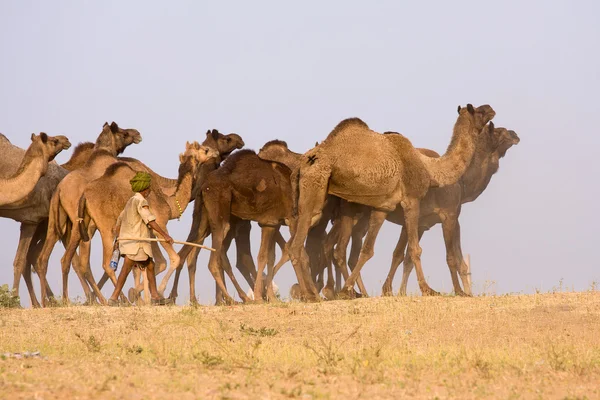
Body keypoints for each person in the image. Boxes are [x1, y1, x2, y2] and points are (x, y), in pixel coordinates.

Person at [108, 171, 175, 306]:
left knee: (150, 265)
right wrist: (165, 235)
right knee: (126, 269)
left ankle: (155, 296)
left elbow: (120, 220)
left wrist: (119, 237)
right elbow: (150, 220)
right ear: (144, 189)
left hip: (129, 242)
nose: (149, 191)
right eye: (148, 188)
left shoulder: (130, 201)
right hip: (136, 243)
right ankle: (114, 298)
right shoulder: (141, 201)